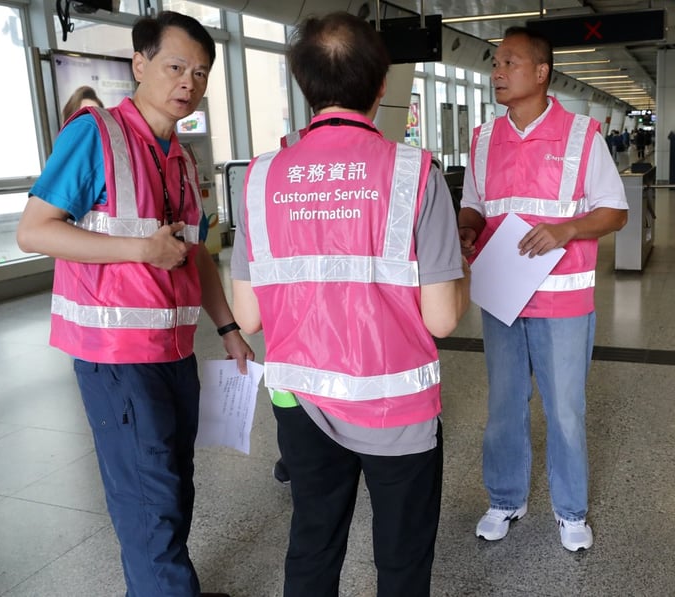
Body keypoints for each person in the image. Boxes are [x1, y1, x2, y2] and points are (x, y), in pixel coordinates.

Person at [229, 11, 469, 596]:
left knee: (312, 543)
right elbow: (440, 317)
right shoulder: (415, 173)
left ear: (304, 85)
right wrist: (460, 267)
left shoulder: (260, 179)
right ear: (382, 85)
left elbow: (249, 317)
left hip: (302, 401)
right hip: (397, 410)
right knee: (402, 557)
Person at [16, 11, 253, 597]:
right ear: (140, 65)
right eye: (176, 67)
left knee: (172, 484)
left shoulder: (181, 156)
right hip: (116, 354)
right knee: (149, 494)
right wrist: (140, 249)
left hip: (172, 350)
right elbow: (34, 231)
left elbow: (195, 253)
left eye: (200, 74)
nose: (188, 84)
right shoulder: (94, 135)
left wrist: (226, 328)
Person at [457, 26, 628, 552]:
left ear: (541, 72)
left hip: (563, 298)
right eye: (495, 63)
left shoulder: (581, 135)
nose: (498, 72)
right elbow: (475, 203)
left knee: (566, 410)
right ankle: (505, 499)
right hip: (504, 295)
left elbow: (615, 210)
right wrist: (467, 229)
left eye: (510, 62)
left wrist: (567, 229)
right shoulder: (484, 139)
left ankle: (571, 509)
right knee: (504, 405)